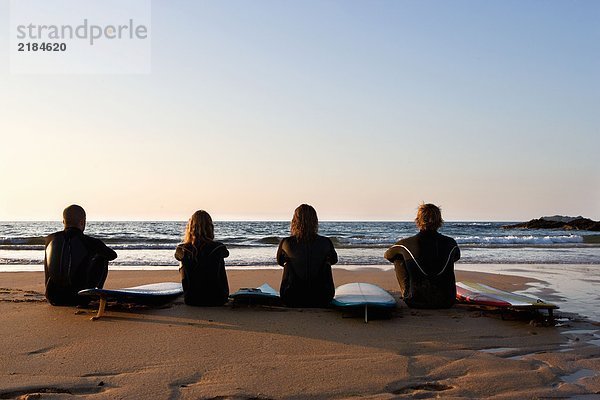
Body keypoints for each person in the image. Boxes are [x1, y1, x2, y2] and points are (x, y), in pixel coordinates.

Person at [384, 203, 460, 309]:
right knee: (447, 257)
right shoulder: (451, 243)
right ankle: (440, 290)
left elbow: (388, 255)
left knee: (398, 256)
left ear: (418, 220)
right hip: (447, 301)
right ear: (440, 221)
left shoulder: (405, 244)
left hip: (416, 301)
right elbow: (456, 257)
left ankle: (407, 293)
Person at [44, 204, 117, 306]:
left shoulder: (50, 239)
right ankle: (94, 293)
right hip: (79, 298)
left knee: (51, 254)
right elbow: (113, 255)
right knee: (102, 257)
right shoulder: (90, 242)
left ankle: (54, 290)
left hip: (53, 298)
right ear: (83, 222)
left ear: (63, 221)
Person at [277, 204, 338, 307]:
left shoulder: (286, 242)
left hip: (291, 297)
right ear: (315, 221)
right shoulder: (326, 242)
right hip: (323, 298)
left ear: (295, 221)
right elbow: (334, 260)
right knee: (327, 261)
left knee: (287, 261)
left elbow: (280, 261)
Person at [175, 210, 229, 306]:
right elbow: (226, 254)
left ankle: (192, 289)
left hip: (192, 300)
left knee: (182, 259)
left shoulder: (182, 248)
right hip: (218, 299)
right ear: (210, 227)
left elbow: (177, 256)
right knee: (218, 256)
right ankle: (214, 289)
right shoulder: (219, 247)